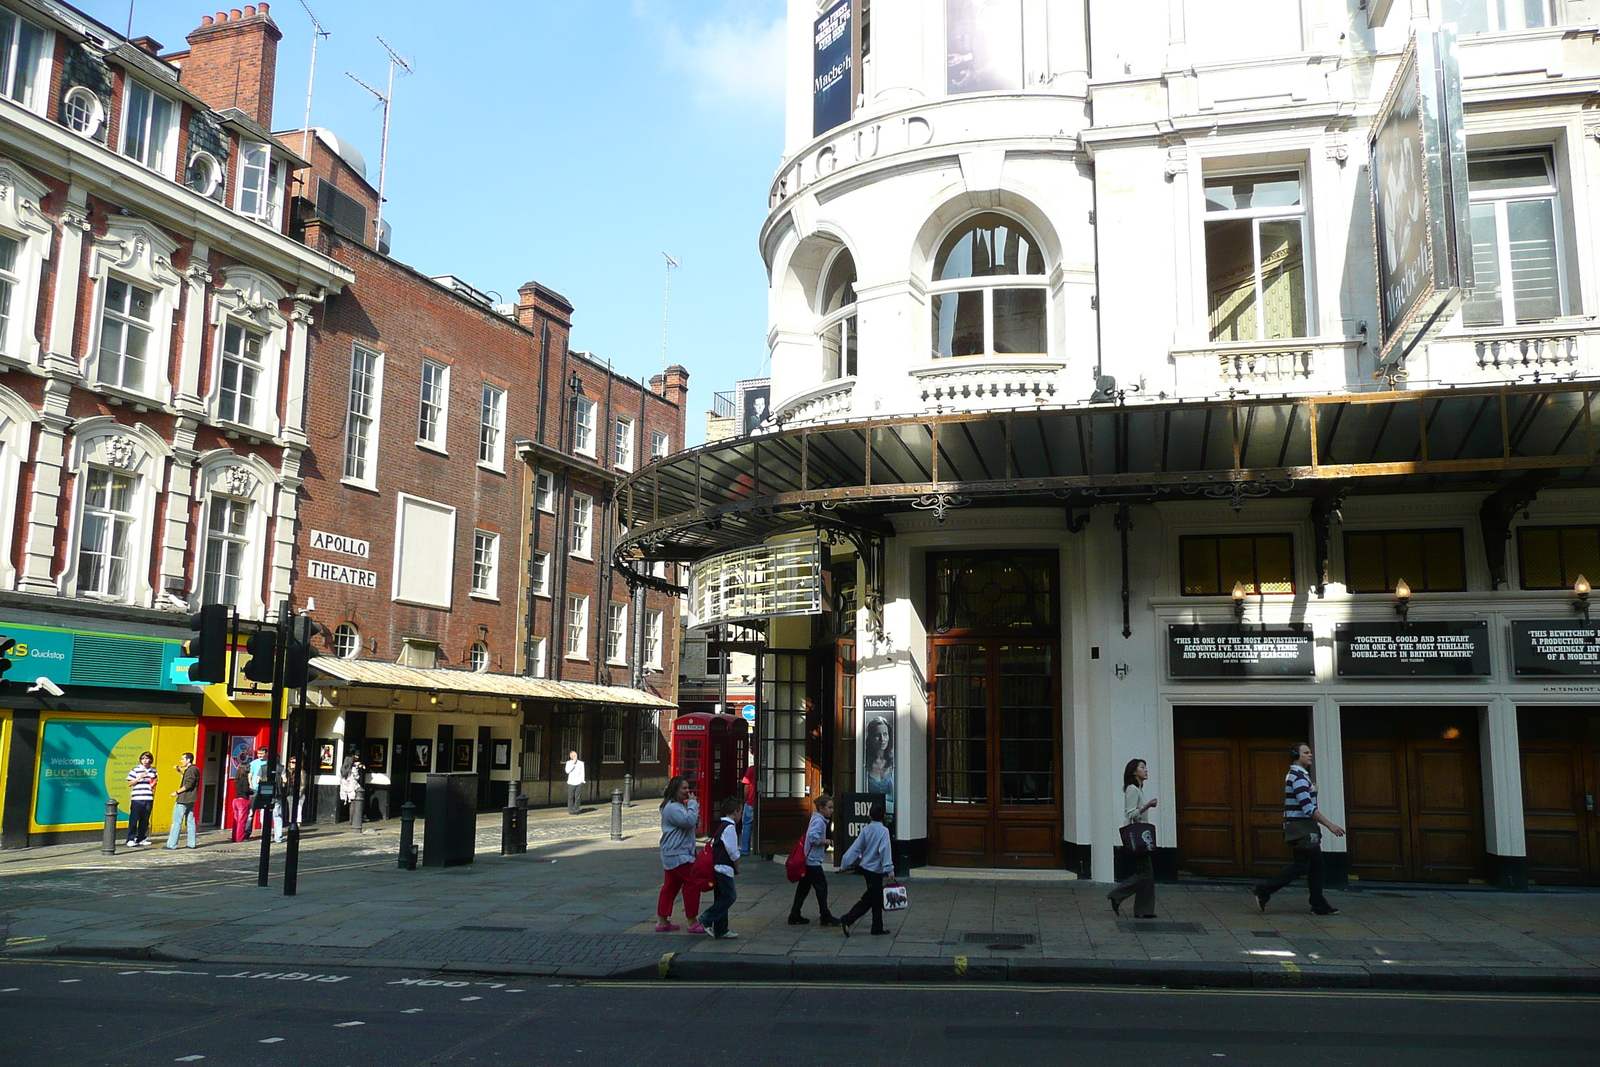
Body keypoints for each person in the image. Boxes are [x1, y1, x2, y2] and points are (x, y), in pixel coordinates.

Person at [1254, 742, 1346, 916]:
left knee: (1317, 867)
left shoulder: (1300, 777)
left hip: (1304, 828)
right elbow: (1308, 808)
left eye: (1310, 752)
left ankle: (1319, 904)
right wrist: (1330, 825)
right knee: (1301, 866)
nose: (1310, 755)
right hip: (1301, 829)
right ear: (1296, 755)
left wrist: (1313, 791)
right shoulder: (1297, 777)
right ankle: (1263, 890)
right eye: (1306, 752)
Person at [1108, 758, 1157, 919]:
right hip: (1138, 837)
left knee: (1147, 873)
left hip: (1142, 837)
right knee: (1146, 873)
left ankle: (1144, 910)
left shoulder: (1138, 789)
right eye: (1142, 767)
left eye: (1145, 767)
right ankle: (1117, 895)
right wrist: (1147, 805)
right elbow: (1130, 814)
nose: (1146, 770)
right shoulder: (1132, 789)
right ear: (1134, 772)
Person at [838, 799, 894, 937]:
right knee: (871, 898)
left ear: (869, 816)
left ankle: (877, 927)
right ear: (884, 816)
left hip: (866, 868)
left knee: (876, 897)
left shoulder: (866, 829)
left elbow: (856, 848)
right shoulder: (884, 831)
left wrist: (844, 864)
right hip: (876, 869)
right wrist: (889, 869)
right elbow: (885, 850)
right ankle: (848, 918)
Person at [655, 776, 702, 933]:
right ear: (675, 789)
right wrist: (693, 804)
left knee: (670, 886)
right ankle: (692, 921)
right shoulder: (672, 808)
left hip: (674, 852)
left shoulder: (676, 806)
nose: (688, 791)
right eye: (684, 788)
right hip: (679, 853)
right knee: (692, 884)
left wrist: (694, 815)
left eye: (688, 788)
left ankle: (662, 920)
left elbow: (690, 823)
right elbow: (688, 822)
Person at [789, 794, 839, 926]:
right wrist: (826, 841)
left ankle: (795, 914)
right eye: (829, 807)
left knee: (804, 888)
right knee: (821, 887)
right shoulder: (819, 821)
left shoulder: (816, 819)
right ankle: (825, 915)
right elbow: (813, 838)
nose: (831, 810)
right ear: (821, 808)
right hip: (813, 861)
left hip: (809, 859)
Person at [697, 796, 743, 940]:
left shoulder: (722, 825)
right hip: (724, 867)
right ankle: (706, 918)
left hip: (718, 866)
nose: (741, 815)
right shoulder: (729, 828)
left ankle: (721, 929)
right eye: (740, 812)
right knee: (730, 896)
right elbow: (733, 852)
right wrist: (737, 867)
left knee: (721, 898)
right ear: (735, 812)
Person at [165, 752, 199, 849]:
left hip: (184, 799)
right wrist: (179, 771)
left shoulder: (191, 770)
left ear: (188, 760)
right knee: (190, 821)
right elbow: (186, 779)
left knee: (177, 822)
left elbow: (188, 785)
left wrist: (176, 792)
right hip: (191, 799)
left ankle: (172, 844)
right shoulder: (193, 769)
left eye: (183, 759)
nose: (181, 761)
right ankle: (191, 843)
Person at [125, 751, 157, 846]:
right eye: (143, 758)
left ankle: (141, 838)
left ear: (150, 760)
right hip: (137, 797)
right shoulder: (136, 769)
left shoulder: (153, 770)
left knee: (145, 819)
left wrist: (154, 783)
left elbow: (154, 781)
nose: (145, 760)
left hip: (148, 797)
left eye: (147, 758)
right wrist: (139, 778)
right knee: (134, 819)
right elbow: (129, 783)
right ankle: (130, 839)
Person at [866, 717, 894, 797]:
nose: (882, 739)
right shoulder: (865, 761)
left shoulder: (894, 761)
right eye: (877, 735)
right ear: (870, 738)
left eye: (885, 734)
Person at [230, 756, 254, 842]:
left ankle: (234, 837)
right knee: (242, 820)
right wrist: (252, 791)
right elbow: (246, 790)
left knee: (236, 820)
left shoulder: (237, 778)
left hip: (236, 800)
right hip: (243, 801)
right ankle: (240, 838)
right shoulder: (245, 779)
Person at [247, 746, 269, 838]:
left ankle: (265, 832)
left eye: (262, 754)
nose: (260, 756)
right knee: (251, 812)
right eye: (258, 754)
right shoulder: (253, 763)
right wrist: (251, 786)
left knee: (265, 812)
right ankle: (247, 832)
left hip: (265, 790)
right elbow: (250, 775)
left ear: (266, 754)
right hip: (255, 789)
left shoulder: (269, 763)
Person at [739, 763, 757, 855]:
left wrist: (745, 800)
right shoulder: (764, 769)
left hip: (750, 801)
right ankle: (758, 848)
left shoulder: (750, 769)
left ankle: (745, 849)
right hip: (761, 801)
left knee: (746, 825)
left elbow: (746, 786)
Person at [564, 750, 585, 815]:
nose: (574, 757)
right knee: (570, 797)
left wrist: (582, 780)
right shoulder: (569, 763)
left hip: (578, 782)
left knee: (577, 797)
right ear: (570, 757)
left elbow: (582, 772)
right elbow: (567, 771)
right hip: (571, 782)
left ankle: (576, 810)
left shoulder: (581, 763)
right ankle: (571, 810)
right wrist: (573, 763)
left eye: (575, 755)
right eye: (573, 756)